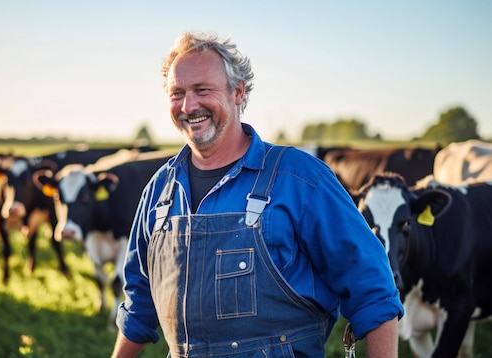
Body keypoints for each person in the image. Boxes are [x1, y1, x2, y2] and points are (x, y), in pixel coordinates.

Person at [111, 31, 404, 357]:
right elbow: (139, 305)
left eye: (202, 90)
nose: (188, 105)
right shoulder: (159, 193)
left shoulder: (300, 179)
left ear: (238, 92)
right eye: (176, 93)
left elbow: (374, 292)